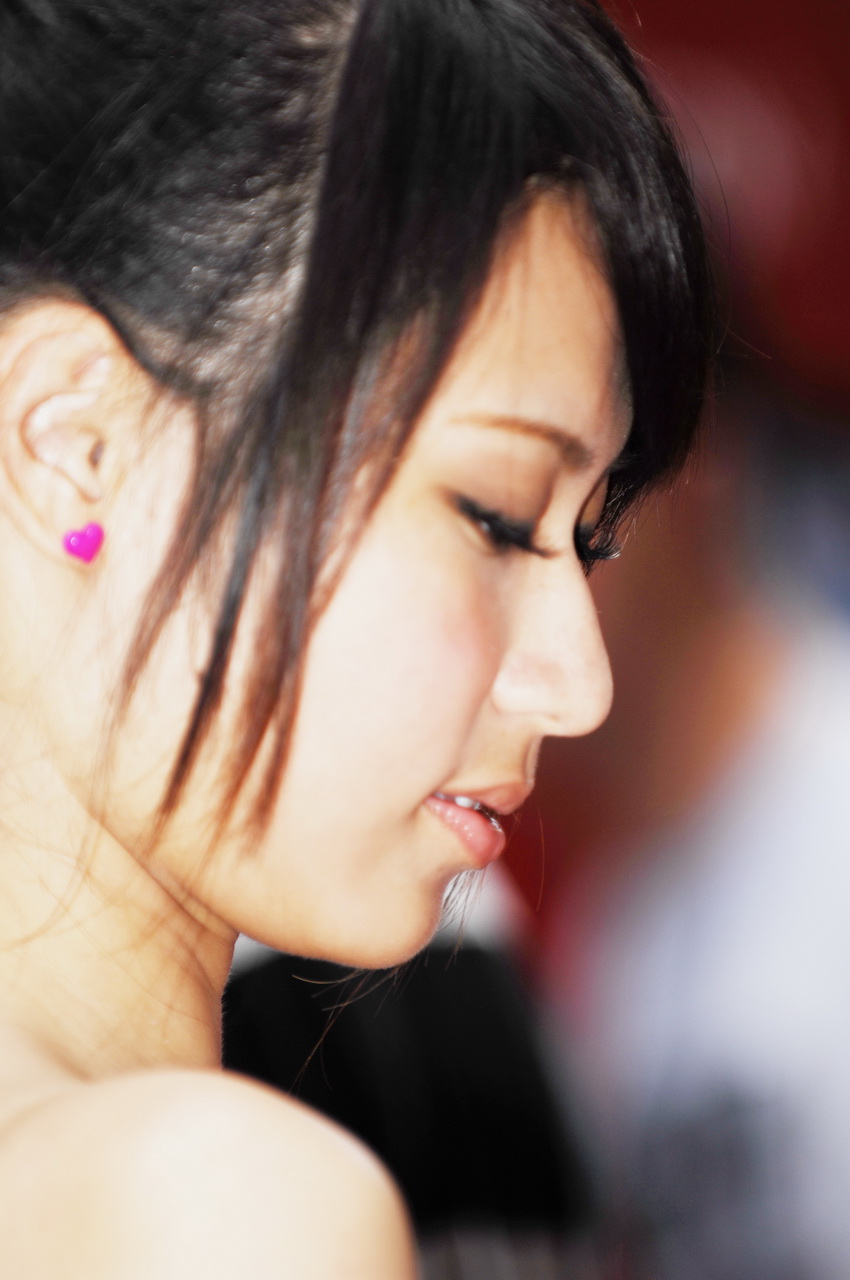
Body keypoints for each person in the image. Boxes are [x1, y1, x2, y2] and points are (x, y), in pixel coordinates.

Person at [0, 0, 712, 1275]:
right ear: (78, 443)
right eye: (494, 514)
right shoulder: (212, 1211)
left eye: (587, 538)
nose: (578, 683)